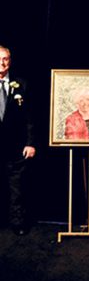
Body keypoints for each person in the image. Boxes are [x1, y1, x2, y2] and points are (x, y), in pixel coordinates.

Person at [0, 45, 36, 235]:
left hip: (15, 145)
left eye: (5, 58)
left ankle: (18, 223)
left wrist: (30, 143)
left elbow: (30, 118)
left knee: (17, 188)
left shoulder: (21, 84)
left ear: (10, 61)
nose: (2, 62)